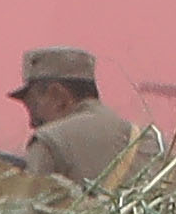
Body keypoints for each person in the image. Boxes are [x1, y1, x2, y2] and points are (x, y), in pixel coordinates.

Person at [8, 47, 160, 184]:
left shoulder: (49, 142)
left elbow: (25, 210)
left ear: (57, 95)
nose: (32, 124)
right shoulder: (152, 141)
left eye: (33, 107)